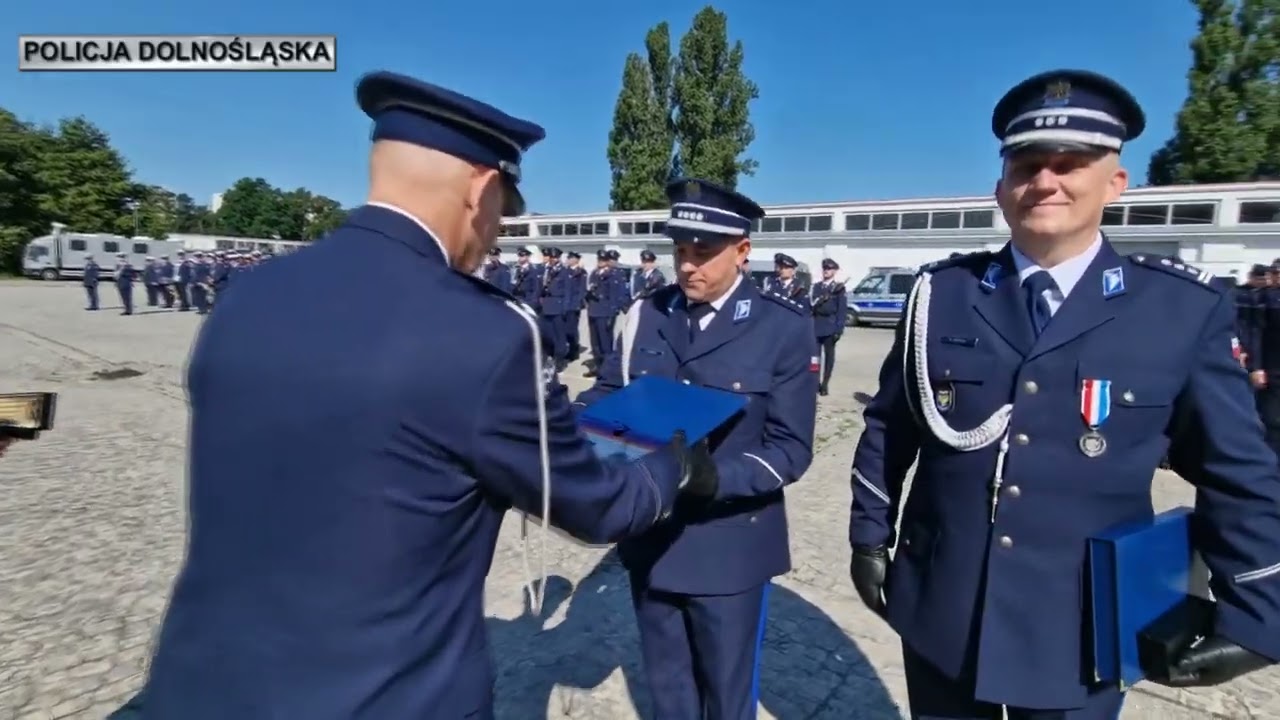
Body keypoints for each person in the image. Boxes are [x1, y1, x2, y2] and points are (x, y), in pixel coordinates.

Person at [133, 70, 717, 720]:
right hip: (385, 697)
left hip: (203, 685)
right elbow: (593, 506)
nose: (494, 234)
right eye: (503, 214)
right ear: (482, 188)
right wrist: (672, 466)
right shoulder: (485, 332)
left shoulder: (250, 294)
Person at [848, 69, 1280, 720]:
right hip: (945, 604)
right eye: (1026, 165)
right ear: (1001, 188)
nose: (1045, 181)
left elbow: (1237, 472)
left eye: (1070, 163)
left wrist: (1255, 611)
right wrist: (868, 536)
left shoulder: (1178, 310)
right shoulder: (942, 295)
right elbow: (889, 427)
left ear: (1116, 182)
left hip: (1081, 628)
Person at [575, 178, 819, 719]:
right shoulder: (648, 312)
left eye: (703, 252)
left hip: (727, 546)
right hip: (651, 539)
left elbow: (790, 449)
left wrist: (715, 479)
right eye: (680, 251)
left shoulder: (782, 327)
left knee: (726, 697)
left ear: (742, 251)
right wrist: (565, 422)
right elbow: (610, 392)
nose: (687, 266)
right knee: (668, 691)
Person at [810, 258, 847, 396]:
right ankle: (815, 383)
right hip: (816, 325)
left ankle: (825, 384)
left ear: (835, 271)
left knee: (829, 358)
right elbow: (812, 305)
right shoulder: (816, 287)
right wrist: (821, 298)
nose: (826, 271)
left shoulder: (839, 288)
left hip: (830, 326)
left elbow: (841, 310)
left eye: (829, 269)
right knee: (814, 358)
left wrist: (839, 329)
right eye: (825, 268)